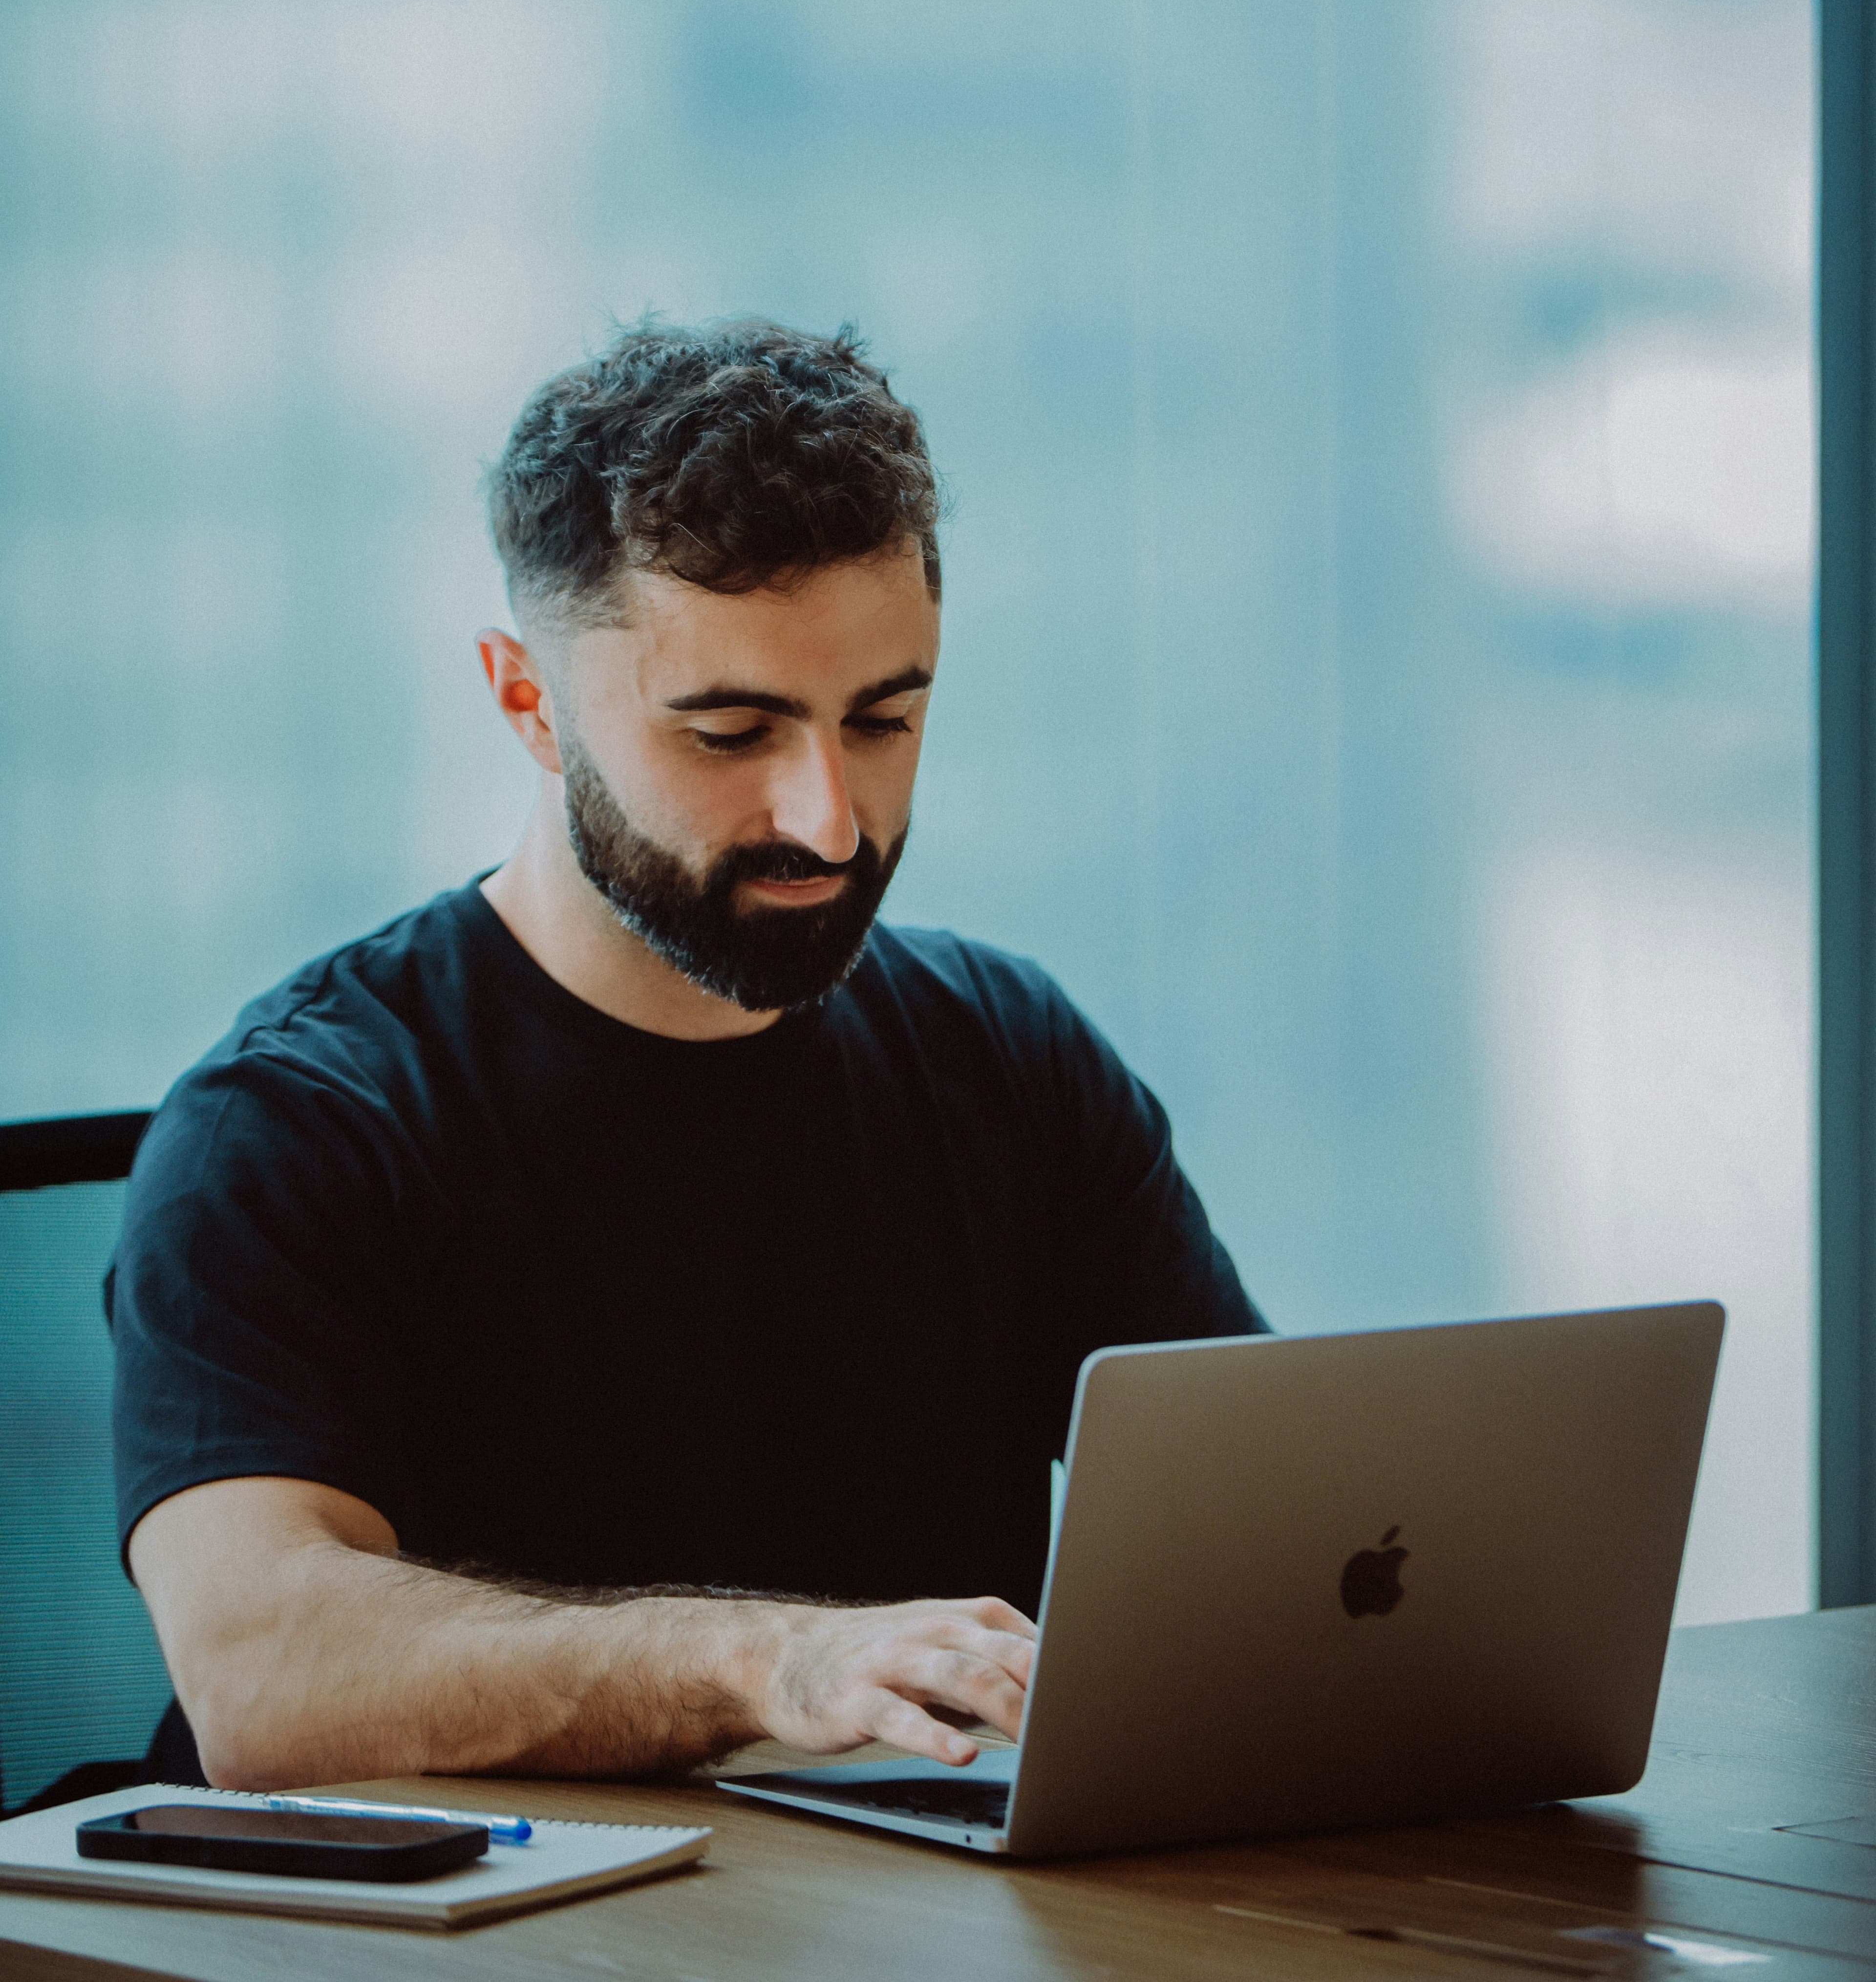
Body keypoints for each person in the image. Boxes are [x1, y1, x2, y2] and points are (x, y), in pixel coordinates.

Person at [111, 319, 1263, 1791]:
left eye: (885, 720)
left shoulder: (1010, 1058)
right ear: (528, 701)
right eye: (731, 732)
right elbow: (266, 1674)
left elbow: (1277, 1549)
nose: (829, 821)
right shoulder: (294, 1124)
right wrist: (766, 1664)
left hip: (898, 1915)